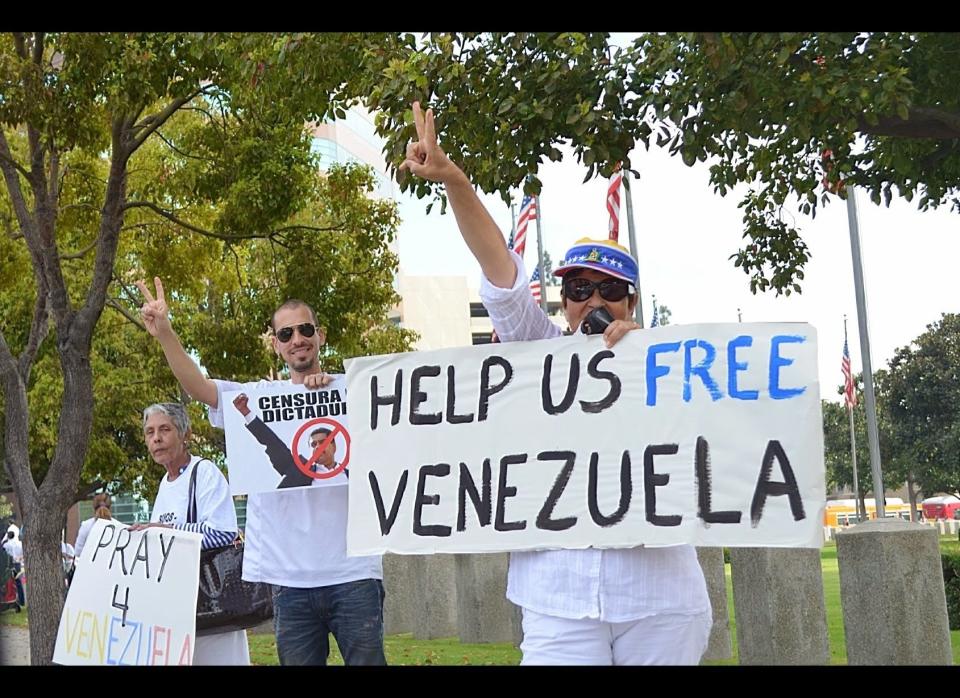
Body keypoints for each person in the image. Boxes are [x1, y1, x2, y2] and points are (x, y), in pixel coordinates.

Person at [400, 101, 712, 665]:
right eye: (577, 290)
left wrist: (645, 357)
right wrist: (453, 180)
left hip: (660, 595)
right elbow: (501, 274)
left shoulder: (672, 367)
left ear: (631, 300)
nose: (591, 301)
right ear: (563, 302)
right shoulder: (537, 349)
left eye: (607, 289)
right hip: (557, 597)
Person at [137, 280, 386, 666]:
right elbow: (199, 387)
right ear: (276, 344)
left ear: (320, 336)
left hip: (354, 573)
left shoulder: (351, 392)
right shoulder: (258, 399)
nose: (297, 339)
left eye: (305, 330)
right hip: (289, 582)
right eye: (286, 333)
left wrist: (329, 389)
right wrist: (166, 333)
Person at [129, 402, 250, 665]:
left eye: (164, 429)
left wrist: (167, 531)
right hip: (179, 609)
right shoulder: (165, 483)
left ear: (185, 435)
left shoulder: (204, 473)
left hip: (211, 605)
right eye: (149, 432)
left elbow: (223, 534)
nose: (156, 438)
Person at [231, 394, 343, 489]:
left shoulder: (353, 473)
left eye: (322, 442)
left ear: (333, 446)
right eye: (314, 444)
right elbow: (273, 444)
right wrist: (246, 413)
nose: (318, 447)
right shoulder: (301, 471)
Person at [74, 493, 123, 560]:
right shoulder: (119, 526)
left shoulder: (86, 525)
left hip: (91, 567)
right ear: (110, 507)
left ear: (94, 507)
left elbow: (78, 552)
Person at [2, 531, 24, 607]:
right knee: (18, 583)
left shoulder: (6, 545)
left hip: (10, 564)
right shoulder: (20, 543)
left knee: (9, 583)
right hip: (17, 563)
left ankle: (10, 600)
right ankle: (21, 601)